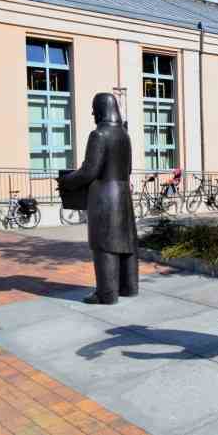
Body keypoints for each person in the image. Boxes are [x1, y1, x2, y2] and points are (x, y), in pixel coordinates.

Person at [58, 93, 138, 305]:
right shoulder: (124, 134)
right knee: (126, 242)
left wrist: (66, 181)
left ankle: (106, 293)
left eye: (95, 109)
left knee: (104, 243)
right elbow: (128, 168)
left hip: (104, 196)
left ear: (102, 109)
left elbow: (89, 171)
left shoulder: (99, 135)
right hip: (122, 194)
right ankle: (128, 287)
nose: (93, 113)